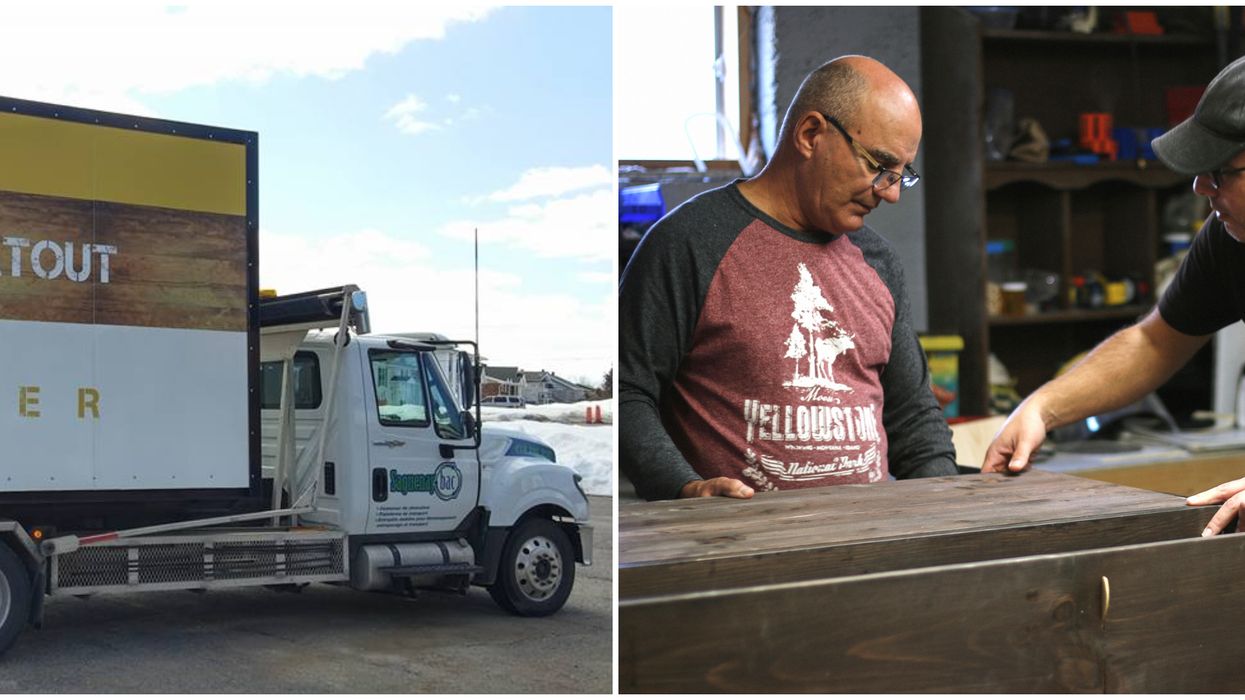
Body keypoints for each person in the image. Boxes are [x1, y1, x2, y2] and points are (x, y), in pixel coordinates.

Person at [619, 55, 957, 502]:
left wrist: (950, 511)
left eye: (900, 175)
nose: (890, 193)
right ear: (811, 134)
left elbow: (914, 418)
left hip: (868, 548)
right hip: (731, 555)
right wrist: (684, 486)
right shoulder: (689, 243)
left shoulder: (878, 262)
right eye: (879, 165)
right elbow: (628, 392)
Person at [981, 55, 1245, 536]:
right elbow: (1156, 342)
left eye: (1219, 172)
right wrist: (1040, 408)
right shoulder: (1230, 239)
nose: (1199, 186)